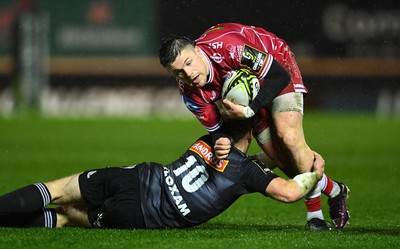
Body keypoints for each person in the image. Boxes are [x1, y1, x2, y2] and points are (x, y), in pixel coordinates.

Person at [159, 22, 349, 230]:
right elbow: (216, 131)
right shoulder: (188, 92)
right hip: (246, 93)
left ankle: (315, 217)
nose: (188, 74)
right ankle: (335, 190)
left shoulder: (228, 47)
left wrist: (250, 110)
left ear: (197, 49)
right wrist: (222, 140)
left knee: (289, 137)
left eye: (189, 62)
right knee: (278, 157)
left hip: (275, 64)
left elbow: (278, 75)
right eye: (178, 72)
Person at [0, 120, 324, 229]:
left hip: (137, 178)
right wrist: (313, 172)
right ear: (251, 135)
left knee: (55, 190)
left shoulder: (209, 140)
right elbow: (288, 192)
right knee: (66, 217)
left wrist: (275, 161)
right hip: (141, 215)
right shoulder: (247, 174)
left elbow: (239, 162)